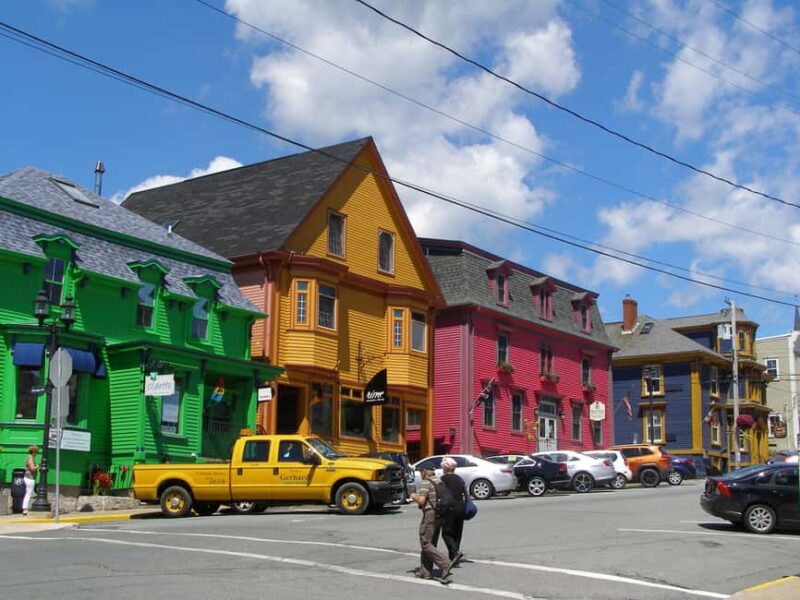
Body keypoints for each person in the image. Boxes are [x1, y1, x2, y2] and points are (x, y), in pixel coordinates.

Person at [409, 466, 453, 581]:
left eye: (421, 471)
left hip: (430, 515)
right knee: (431, 542)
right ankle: (425, 572)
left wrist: (413, 496)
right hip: (440, 515)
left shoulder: (426, 482)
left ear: (424, 472)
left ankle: (445, 563)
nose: (421, 474)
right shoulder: (439, 481)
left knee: (425, 543)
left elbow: (421, 500)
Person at [440, 456, 467, 565]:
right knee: (457, 532)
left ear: (445, 468)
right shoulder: (459, 478)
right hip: (461, 506)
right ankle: (454, 557)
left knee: (446, 532)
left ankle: (455, 552)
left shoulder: (444, 479)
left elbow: (441, 494)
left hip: (450, 507)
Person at [22, 445, 39, 516]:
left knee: (27, 493)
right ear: (33, 452)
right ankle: (25, 509)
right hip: (30, 478)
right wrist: (37, 466)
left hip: (27, 477)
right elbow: (32, 469)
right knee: (28, 494)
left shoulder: (29, 457)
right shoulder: (30, 458)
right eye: (36, 452)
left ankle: (25, 508)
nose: (37, 454)